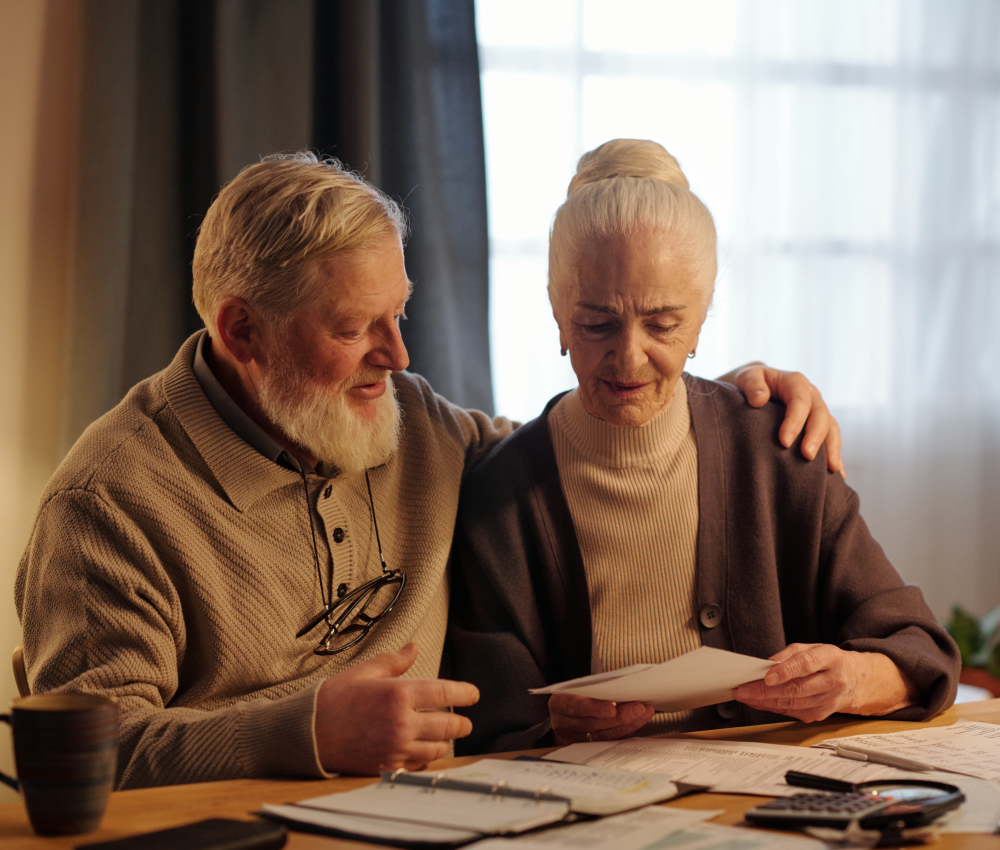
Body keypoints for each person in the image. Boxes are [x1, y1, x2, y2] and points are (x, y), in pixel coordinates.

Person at [17, 151, 841, 790]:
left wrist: (726, 402)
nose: (398, 355)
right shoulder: (109, 505)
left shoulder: (415, 425)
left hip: (443, 815)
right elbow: (84, 754)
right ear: (242, 332)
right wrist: (303, 731)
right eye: (352, 328)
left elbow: (582, 440)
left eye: (398, 312)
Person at [447, 139, 960, 756]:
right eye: (596, 323)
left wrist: (850, 679)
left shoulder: (779, 447)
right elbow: (487, 724)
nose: (629, 357)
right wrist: (554, 727)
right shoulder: (497, 497)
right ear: (556, 311)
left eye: (663, 323)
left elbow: (921, 651)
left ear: (703, 314)